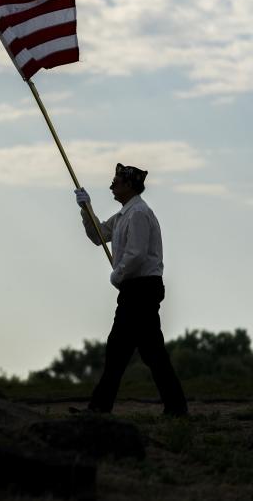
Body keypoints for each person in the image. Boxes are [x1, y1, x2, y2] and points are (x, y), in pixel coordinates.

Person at [73, 163, 188, 416]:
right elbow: (98, 234)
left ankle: (99, 408)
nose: (112, 185)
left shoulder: (138, 214)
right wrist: (86, 209)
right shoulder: (125, 214)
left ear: (129, 185)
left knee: (119, 349)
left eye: (116, 181)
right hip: (137, 288)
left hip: (141, 288)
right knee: (148, 352)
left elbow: (135, 255)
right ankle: (176, 408)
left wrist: (117, 275)